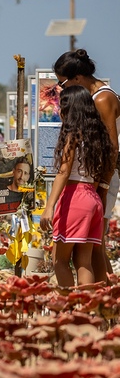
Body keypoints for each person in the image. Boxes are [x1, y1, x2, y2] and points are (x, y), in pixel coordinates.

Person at [53, 49, 120, 276]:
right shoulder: (93, 98)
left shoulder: (101, 98)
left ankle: (106, 303)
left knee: (95, 250)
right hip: (95, 179)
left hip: (103, 178)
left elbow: (112, 148)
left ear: (77, 79)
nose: (60, 88)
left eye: (62, 83)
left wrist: (103, 186)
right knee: (91, 251)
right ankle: (104, 301)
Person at [40, 86, 116, 286]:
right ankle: (88, 310)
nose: (58, 110)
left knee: (60, 260)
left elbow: (64, 172)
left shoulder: (72, 134)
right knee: (84, 262)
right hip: (93, 198)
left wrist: (49, 206)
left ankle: (71, 309)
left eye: (61, 105)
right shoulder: (97, 137)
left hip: (75, 198)